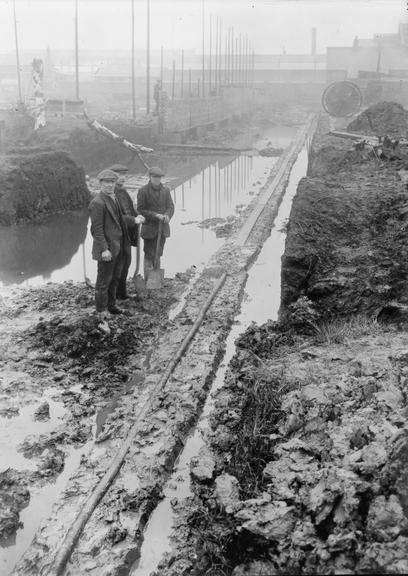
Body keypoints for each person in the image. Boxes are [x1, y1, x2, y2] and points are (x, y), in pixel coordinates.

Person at [89, 168, 128, 316]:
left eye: (112, 182)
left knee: (115, 278)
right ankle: (101, 309)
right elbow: (96, 230)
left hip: (117, 247)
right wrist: (104, 249)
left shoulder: (114, 198)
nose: (109, 185)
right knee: (103, 281)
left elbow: (119, 221)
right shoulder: (97, 203)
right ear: (100, 183)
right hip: (107, 250)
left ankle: (111, 305)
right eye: (106, 183)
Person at [110, 163, 145, 299]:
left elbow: (129, 209)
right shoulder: (111, 194)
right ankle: (113, 296)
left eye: (124, 174)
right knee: (117, 267)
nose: (123, 177)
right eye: (119, 175)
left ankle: (122, 293)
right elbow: (115, 217)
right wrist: (133, 220)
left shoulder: (123, 191)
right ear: (112, 177)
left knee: (126, 264)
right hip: (115, 236)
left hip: (126, 236)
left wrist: (137, 215)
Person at [137, 166, 174, 281]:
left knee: (158, 253)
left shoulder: (166, 190)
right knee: (149, 254)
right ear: (150, 177)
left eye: (159, 177)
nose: (157, 179)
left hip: (162, 229)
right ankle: (149, 279)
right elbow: (141, 209)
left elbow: (170, 206)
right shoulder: (143, 191)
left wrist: (168, 215)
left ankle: (156, 278)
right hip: (149, 229)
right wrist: (155, 215)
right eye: (154, 177)